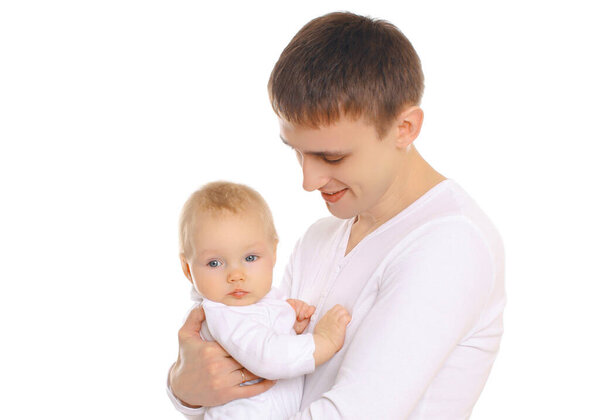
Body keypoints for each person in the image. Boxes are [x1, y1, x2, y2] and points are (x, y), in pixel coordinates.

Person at [169, 11, 506, 419]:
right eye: (296, 150)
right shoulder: (320, 237)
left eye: (332, 156)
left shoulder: (451, 244)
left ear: (405, 128)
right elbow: (255, 371)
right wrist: (184, 388)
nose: (309, 181)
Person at [171, 181, 351, 419]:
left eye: (250, 257)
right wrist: (323, 341)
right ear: (187, 269)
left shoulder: (261, 300)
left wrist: (288, 322)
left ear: (273, 252)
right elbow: (268, 357)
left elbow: (260, 331)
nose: (236, 275)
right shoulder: (220, 313)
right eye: (215, 263)